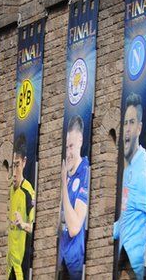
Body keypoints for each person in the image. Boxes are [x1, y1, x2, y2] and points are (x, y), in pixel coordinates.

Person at [113, 93, 146, 279]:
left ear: (139, 128)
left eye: (132, 123)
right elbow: (126, 216)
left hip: (137, 270)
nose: (127, 129)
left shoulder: (144, 172)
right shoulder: (128, 167)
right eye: (125, 123)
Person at [59, 117, 89, 279]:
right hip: (62, 261)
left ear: (80, 141)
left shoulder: (85, 173)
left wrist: (63, 184)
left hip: (76, 267)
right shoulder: (69, 177)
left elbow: (74, 227)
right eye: (66, 147)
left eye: (71, 146)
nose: (68, 153)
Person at [7, 134, 35, 280]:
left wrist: (22, 224)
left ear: (24, 162)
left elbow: (34, 227)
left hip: (21, 270)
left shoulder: (28, 192)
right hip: (9, 267)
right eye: (12, 166)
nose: (14, 172)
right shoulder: (11, 190)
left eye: (17, 165)